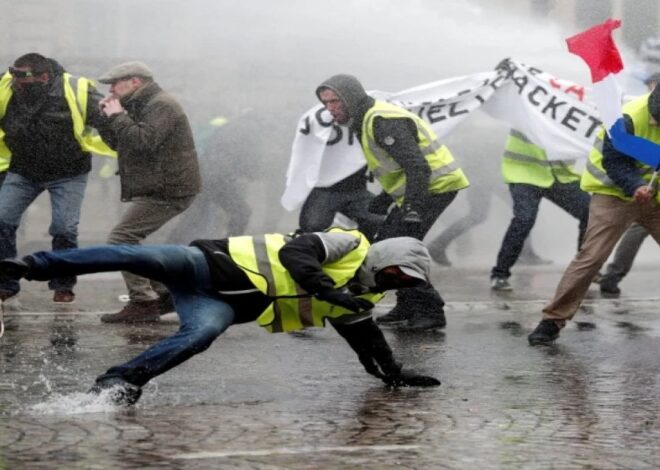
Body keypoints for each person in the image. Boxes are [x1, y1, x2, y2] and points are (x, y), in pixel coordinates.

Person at [0, 227, 441, 405]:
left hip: (221, 305)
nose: (395, 284)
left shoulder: (358, 302)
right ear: (385, 256)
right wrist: (329, 289)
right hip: (206, 263)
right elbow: (295, 251)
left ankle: (119, 382)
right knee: (135, 255)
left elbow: (368, 343)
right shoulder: (351, 242)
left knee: (202, 334)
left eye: (405, 283)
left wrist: (392, 374)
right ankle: (31, 267)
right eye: (397, 273)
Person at [316, 74, 470, 331]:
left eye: (335, 102)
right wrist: (386, 198)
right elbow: (398, 166)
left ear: (350, 98)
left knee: (396, 252)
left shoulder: (381, 120)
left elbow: (417, 166)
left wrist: (410, 208)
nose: (330, 109)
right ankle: (407, 306)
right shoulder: (366, 118)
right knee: (387, 244)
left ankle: (430, 311)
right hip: (419, 191)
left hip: (435, 188)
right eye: (326, 103)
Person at [528, 87, 660, 345]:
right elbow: (615, 162)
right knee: (592, 257)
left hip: (655, 197)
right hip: (614, 195)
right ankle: (552, 320)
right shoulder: (625, 118)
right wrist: (634, 186)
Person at [0, 52, 115, 305]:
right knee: (1, 221)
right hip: (23, 170)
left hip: (68, 173)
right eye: (14, 74)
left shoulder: (77, 89)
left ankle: (63, 284)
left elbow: (108, 122)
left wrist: (124, 151)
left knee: (64, 228)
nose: (16, 82)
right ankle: (6, 283)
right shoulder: (5, 86)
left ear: (44, 77)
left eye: (23, 78)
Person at [96, 61, 201, 323]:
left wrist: (118, 115)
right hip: (161, 185)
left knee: (121, 239)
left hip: (170, 188)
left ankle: (143, 301)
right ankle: (163, 294)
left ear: (135, 82)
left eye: (115, 83)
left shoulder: (161, 104)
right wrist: (106, 119)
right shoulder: (141, 103)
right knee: (129, 239)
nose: (111, 89)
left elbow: (144, 142)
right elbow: (122, 144)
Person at [489, 129, 591, 291]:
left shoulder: (575, 112)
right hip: (524, 174)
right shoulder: (528, 106)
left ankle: (584, 271)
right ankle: (500, 273)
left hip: (559, 175)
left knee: (590, 213)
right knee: (524, 219)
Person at [597, 73, 660, 295]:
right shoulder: (634, 114)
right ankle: (613, 275)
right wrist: (636, 184)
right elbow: (618, 160)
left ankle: (613, 275)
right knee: (637, 229)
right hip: (642, 187)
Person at [299, 166, 384, 241]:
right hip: (326, 189)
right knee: (311, 226)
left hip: (357, 189)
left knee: (380, 218)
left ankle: (363, 244)